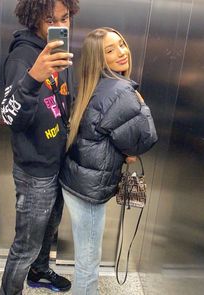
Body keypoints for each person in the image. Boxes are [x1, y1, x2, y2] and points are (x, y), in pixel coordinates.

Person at [59, 27, 158, 295]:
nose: (122, 52)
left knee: (85, 255)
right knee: (89, 261)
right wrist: (142, 103)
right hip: (89, 190)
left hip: (76, 182)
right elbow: (144, 139)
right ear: (99, 59)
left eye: (122, 44)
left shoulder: (95, 83)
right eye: (110, 50)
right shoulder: (122, 91)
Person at [0, 0, 79, 294]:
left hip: (57, 161)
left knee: (49, 229)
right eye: (50, 19)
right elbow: (9, 116)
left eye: (65, 17)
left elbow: (62, 101)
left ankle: (40, 271)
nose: (59, 25)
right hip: (34, 171)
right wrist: (33, 78)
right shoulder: (23, 57)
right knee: (26, 245)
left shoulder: (61, 53)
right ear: (34, 20)